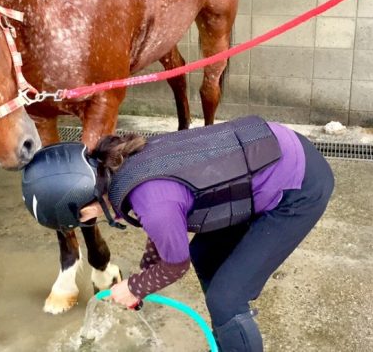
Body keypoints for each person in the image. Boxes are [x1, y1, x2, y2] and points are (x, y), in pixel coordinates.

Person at [21, 115, 335, 352]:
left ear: (80, 204)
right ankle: (233, 330)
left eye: (80, 218)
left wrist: (136, 286)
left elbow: (175, 263)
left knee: (226, 298)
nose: (87, 221)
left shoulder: (152, 201)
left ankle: (233, 316)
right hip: (266, 153)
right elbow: (164, 229)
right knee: (205, 255)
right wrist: (143, 279)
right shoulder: (120, 165)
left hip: (298, 185)